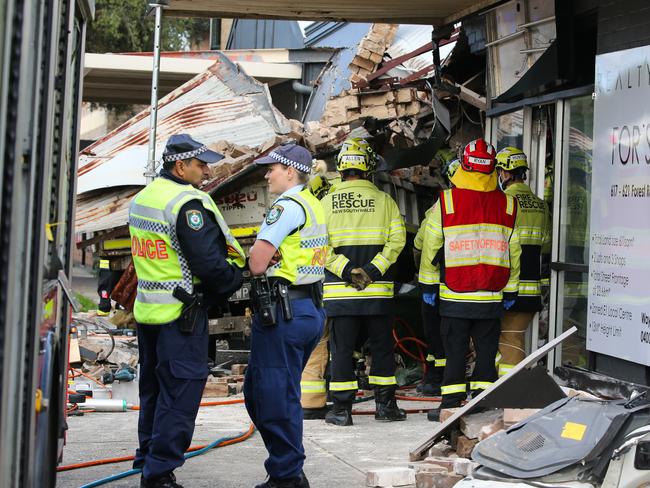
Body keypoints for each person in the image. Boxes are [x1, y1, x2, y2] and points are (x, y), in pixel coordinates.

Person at [128, 134, 246, 488]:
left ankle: (147, 457)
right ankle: (159, 474)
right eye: (200, 164)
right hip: (182, 313)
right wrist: (235, 278)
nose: (207, 171)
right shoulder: (187, 203)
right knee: (181, 392)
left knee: (153, 389)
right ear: (180, 165)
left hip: (149, 311)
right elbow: (208, 263)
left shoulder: (143, 198)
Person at [420, 138, 521, 421]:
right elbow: (514, 250)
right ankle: (482, 405)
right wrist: (511, 290)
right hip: (491, 295)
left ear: (464, 165)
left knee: (454, 351)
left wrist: (428, 284)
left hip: (455, 294)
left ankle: (451, 405)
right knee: (487, 353)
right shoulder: (509, 205)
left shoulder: (447, 201)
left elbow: (431, 244)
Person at [245, 144, 327, 488]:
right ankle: (289, 466)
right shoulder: (312, 204)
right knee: (272, 391)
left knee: (271, 395)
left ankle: (287, 474)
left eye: (272, 169)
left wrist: (255, 258)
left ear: (290, 172)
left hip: (284, 312)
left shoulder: (287, 205)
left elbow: (257, 261)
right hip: (307, 309)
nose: (267, 175)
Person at [321, 137, 407, 427]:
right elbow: (398, 241)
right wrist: (373, 270)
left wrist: (347, 271)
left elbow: (317, 247)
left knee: (342, 350)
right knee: (382, 349)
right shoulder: (385, 201)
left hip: (340, 295)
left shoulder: (324, 203)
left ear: (342, 167)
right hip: (377, 295)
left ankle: (341, 411)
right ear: (369, 167)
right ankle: (385, 407)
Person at [495, 147, 551, 376]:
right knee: (512, 339)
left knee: (508, 342)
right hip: (533, 287)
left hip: (509, 286)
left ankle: (509, 392)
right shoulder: (540, 204)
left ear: (506, 173)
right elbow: (546, 243)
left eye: (499, 171)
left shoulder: (504, 201)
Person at [413, 157, 460, 395]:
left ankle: (435, 379)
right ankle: (449, 377)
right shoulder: (481, 205)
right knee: (455, 335)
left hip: (435, 282)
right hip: (466, 286)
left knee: (435, 333)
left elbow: (421, 241)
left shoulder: (441, 205)